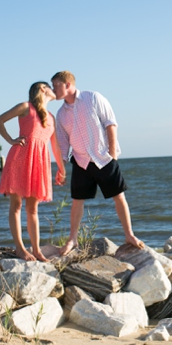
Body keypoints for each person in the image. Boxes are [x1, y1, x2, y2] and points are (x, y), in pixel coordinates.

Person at [50, 71, 144, 255]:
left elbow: (110, 123)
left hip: (103, 157)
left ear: (67, 84)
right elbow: (62, 143)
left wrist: (112, 154)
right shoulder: (60, 114)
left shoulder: (93, 97)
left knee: (119, 197)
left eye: (55, 85)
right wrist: (61, 169)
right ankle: (72, 239)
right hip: (81, 161)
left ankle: (129, 235)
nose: (53, 90)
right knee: (77, 201)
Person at [0, 81, 66, 262]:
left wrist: (61, 168)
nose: (53, 90)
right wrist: (11, 140)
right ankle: (20, 248)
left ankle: (36, 250)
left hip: (39, 163)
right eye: (50, 86)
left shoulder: (51, 117)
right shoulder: (25, 107)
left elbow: (55, 146)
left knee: (33, 209)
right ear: (43, 88)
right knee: (16, 206)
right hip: (20, 159)